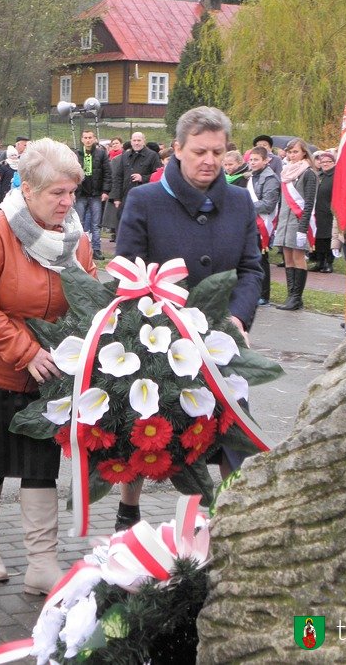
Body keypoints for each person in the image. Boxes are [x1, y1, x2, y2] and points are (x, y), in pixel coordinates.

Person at [0, 138, 97, 595]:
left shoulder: (76, 239)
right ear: (28, 190)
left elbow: (89, 298)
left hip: (49, 375)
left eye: (72, 192)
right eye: (57, 193)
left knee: (40, 466)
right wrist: (26, 352)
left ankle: (41, 564)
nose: (67, 203)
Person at [114, 106, 263, 531]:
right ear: (177, 149)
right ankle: (128, 513)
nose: (210, 160)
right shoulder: (145, 200)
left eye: (218, 151)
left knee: (233, 432)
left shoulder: (239, 201)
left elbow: (251, 269)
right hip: (159, 337)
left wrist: (238, 318)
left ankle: (232, 520)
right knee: (148, 431)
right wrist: (152, 324)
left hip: (221, 340)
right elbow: (128, 270)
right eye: (200, 151)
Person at [274, 138, 317, 311]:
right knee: (288, 259)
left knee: (298, 258)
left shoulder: (308, 173)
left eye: (295, 152)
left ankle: (297, 297)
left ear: (304, 153)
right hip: (285, 221)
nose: (292, 155)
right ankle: (290, 295)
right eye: (290, 152)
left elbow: (309, 203)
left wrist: (303, 228)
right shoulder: (286, 172)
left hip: (298, 222)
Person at [109, 133, 161, 242]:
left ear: (144, 141)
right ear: (131, 141)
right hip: (126, 196)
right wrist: (116, 198)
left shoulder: (152, 156)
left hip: (144, 196)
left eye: (139, 140)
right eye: (134, 140)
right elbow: (118, 177)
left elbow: (158, 174)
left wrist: (143, 178)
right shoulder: (125, 156)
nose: (136, 143)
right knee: (123, 223)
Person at [247, 146, 281, 305]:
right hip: (250, 222)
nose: (252, 163)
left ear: (266, 160)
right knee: (249, 260)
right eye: (251, 160)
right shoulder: (251, 176)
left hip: (262, 225)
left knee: (261, 260)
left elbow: (268, 204)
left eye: (256, 160)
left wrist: (245, 205)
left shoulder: (270, 179)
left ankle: (264, 294)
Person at [74, 129, 111, 260]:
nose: (88, 140)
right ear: (82, 139)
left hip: (96, 193)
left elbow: (107, 172)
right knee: (79, 223)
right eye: (85, 138)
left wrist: (106, 191)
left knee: (96, 224)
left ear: (94, 139)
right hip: (80, 193)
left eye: (90, 137)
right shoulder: (77, 154)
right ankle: (78, 249)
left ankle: (96, 249)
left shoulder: (101, 153)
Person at [310, 151, 336, 273]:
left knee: (328, 238)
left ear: (333, 162)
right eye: (323, 162)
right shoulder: (319, 175)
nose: (325, 164)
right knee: (319, 238)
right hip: (318, 211)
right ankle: (319, 262)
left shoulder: (336, 176)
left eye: (328, 161)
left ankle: (328, 263)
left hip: (329, 212)